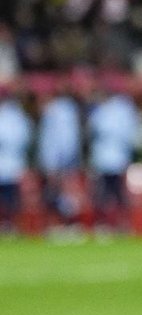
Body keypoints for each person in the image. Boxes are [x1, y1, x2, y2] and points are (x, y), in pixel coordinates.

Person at [87, 88, 142, 236]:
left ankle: (110, 224)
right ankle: (117, 224)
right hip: (111, 159)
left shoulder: (107, 111)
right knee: (112, 194)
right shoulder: (122, 110)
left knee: (110, 194)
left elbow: (96, 129)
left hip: (109, 159)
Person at [37, 87, 83, 237]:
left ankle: (69, 224)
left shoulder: (60, 112)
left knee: (62, 194)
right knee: (56, 194)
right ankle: (62, 224)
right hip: (55, 162)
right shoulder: (58, 111)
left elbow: (65, 140)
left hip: (59, 162)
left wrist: (58, 163)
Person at [0, 90, 32, 235]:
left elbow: (22, 139)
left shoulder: (15, 116)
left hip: (11, 163)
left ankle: (10, 224)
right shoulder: (16, 116)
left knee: (10, 197)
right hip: (10, 163)